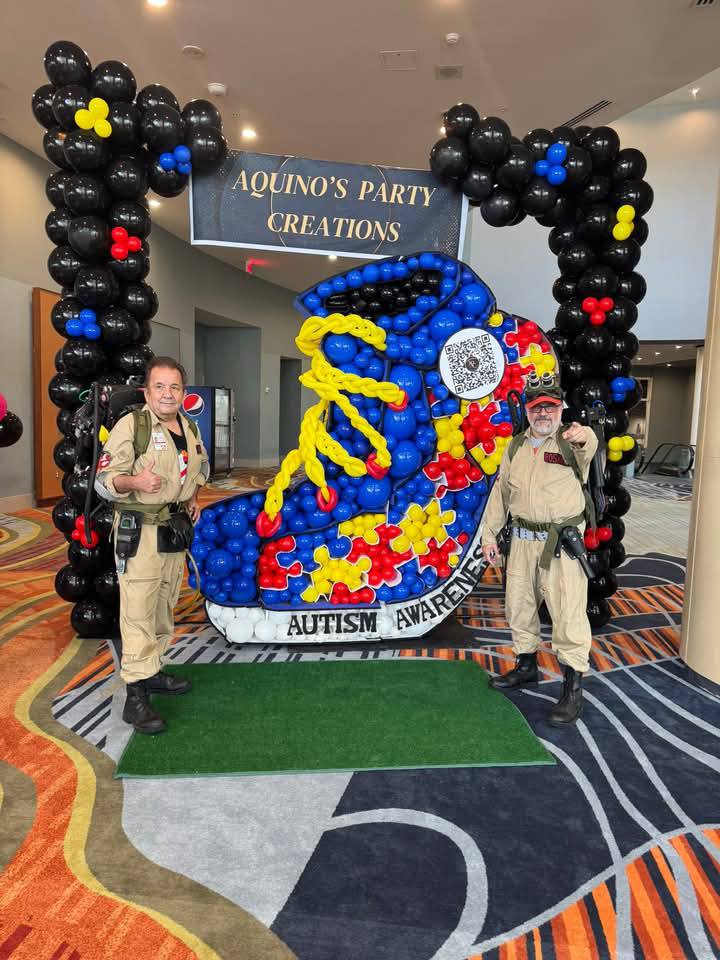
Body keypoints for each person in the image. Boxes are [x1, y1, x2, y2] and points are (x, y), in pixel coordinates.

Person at [95, 357, 210, 734]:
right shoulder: (132, 426)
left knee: (164, 604)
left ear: (183, 392)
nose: (167, 394)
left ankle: (153, 671)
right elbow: (104, 479)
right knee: (138, 610)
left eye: (174, 387)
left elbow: (199, 467)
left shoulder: (189, 427)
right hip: (140, 531)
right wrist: (135, 483)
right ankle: (135, 696)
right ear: (147, 392)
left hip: (172, 530)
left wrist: (192, 497)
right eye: (159, 386)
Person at [481, 375, 598, 726]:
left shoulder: (570, 441)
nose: (543, 413)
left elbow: (588, 443)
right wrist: (489, 536)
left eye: (550, 406)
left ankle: (572, 687)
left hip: (561, 543)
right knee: (519, 606)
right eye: (536, 407)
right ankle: (526, 665)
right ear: (528, 411)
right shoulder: (515, 446)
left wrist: (583, 434)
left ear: (561, 409)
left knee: (568, 613)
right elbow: (501, 494)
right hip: (521, 542)